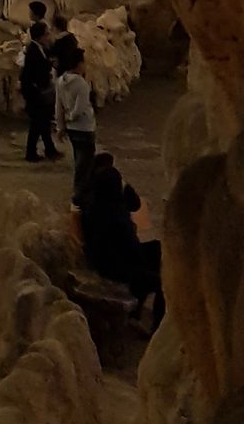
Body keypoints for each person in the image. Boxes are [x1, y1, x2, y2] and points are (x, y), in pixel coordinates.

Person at [79, 162, 164, 329]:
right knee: (161, 282)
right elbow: (131, 247)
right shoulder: (115, 215)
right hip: (117, 268)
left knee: (156, 248)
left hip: (108, 261)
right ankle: (155, 327)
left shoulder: (91, 205)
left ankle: (136, 311)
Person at [53, 40, 96, 202]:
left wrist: (61, 126)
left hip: (72, 130)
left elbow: (58, 106)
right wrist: (72, 116)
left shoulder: (60, 82)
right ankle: (80, 194)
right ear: (79, 64)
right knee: (85, 164)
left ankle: (81, 191)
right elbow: (80, 108)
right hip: (85, 127)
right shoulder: (82, 85)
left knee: (79, 159)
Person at [19, 19, 60, 162]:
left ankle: (50, 150)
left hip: (39, 91)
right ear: (41, 36)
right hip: (35, 92)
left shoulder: (39, 49)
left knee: (42, 123)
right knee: (37, 124)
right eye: (47, 34)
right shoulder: (33, 51)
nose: (49, 36)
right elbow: (30, 73)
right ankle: (31, 153)